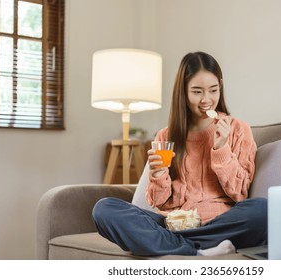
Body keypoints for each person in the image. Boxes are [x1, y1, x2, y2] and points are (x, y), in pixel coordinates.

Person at [92, 51, 267, 256]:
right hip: (171, 223)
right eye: (197, 91)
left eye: (213, 90)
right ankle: (197, 252)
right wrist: (158, 176)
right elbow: (159, 203)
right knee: (104, 209)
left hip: (218, 224)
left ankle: (169, 246)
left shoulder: (237, 129)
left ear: (221, 85)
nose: (206, 99)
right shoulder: (165, 136)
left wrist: (221, 149)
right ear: (183, 92)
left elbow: (240, 193)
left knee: (262, 210)